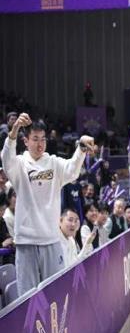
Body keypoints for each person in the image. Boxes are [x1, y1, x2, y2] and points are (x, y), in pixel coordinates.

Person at [1, 113, 94, 295]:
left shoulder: (53, 163)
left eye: (43, 139)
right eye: (35, 139)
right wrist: (14, 130)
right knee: (27, 297)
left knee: (55, 294)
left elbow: (72, 171)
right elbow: (6, 160)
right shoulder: (19, 164)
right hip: (26, 242)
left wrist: (81, 148)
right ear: (25, 141)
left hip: (51, 239)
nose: (40, 144)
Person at [0, 192, 15, 265]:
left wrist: (10, 242)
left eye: (3, 210)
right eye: (0, 210)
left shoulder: (2, 221)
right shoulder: (6, 218)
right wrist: (2, 244)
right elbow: (4, 242)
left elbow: (7, 236)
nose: (2, 213)